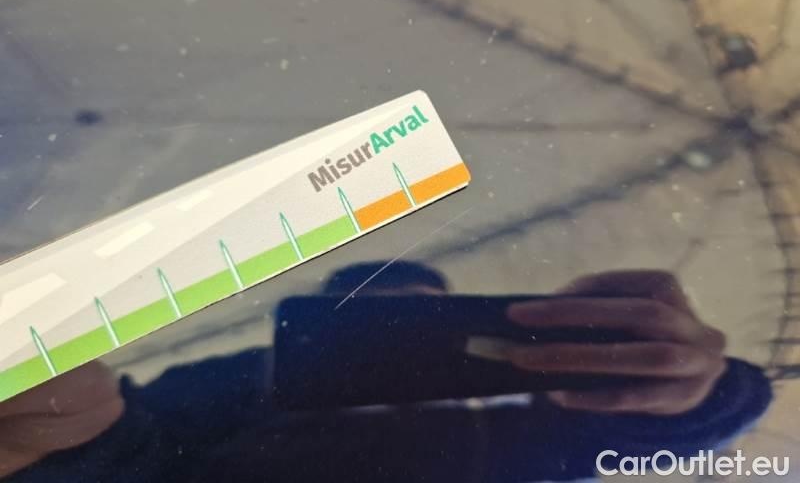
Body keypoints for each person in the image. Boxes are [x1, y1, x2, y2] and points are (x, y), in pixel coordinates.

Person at [2, 265, 772, 482]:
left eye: (429, 326)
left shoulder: (502, 420)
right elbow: (135, 453)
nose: (400, 349)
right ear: (328, 323)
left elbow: (624, 444)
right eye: (377, 325)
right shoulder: (243, 379)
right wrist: (69, 445)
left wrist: (706, 387)